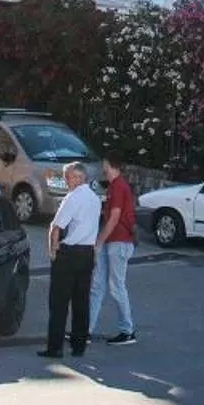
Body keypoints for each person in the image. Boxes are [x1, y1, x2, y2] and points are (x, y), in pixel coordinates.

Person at [42, 161, 100, 358]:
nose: (66, 181)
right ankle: (79, 345)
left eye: (67, 177)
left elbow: (56, 226)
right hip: (87, 253)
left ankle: (55, 347)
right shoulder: (95, 198)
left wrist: (52, 251)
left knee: (59, 302)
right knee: (81, 302)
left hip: (70, 252)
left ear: (78, 178)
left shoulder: (73, 198)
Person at [88, 152, 139, 346]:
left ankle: (127, 330)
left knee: (115, 286)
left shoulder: (118, 187)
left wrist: (99, 241)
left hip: (118, 241)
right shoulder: (116, 186)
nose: (103, 168)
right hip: (115, 241)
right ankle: (86, 330)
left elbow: (115, 217)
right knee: (99, 285)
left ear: (109, 165)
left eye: (104, 164)